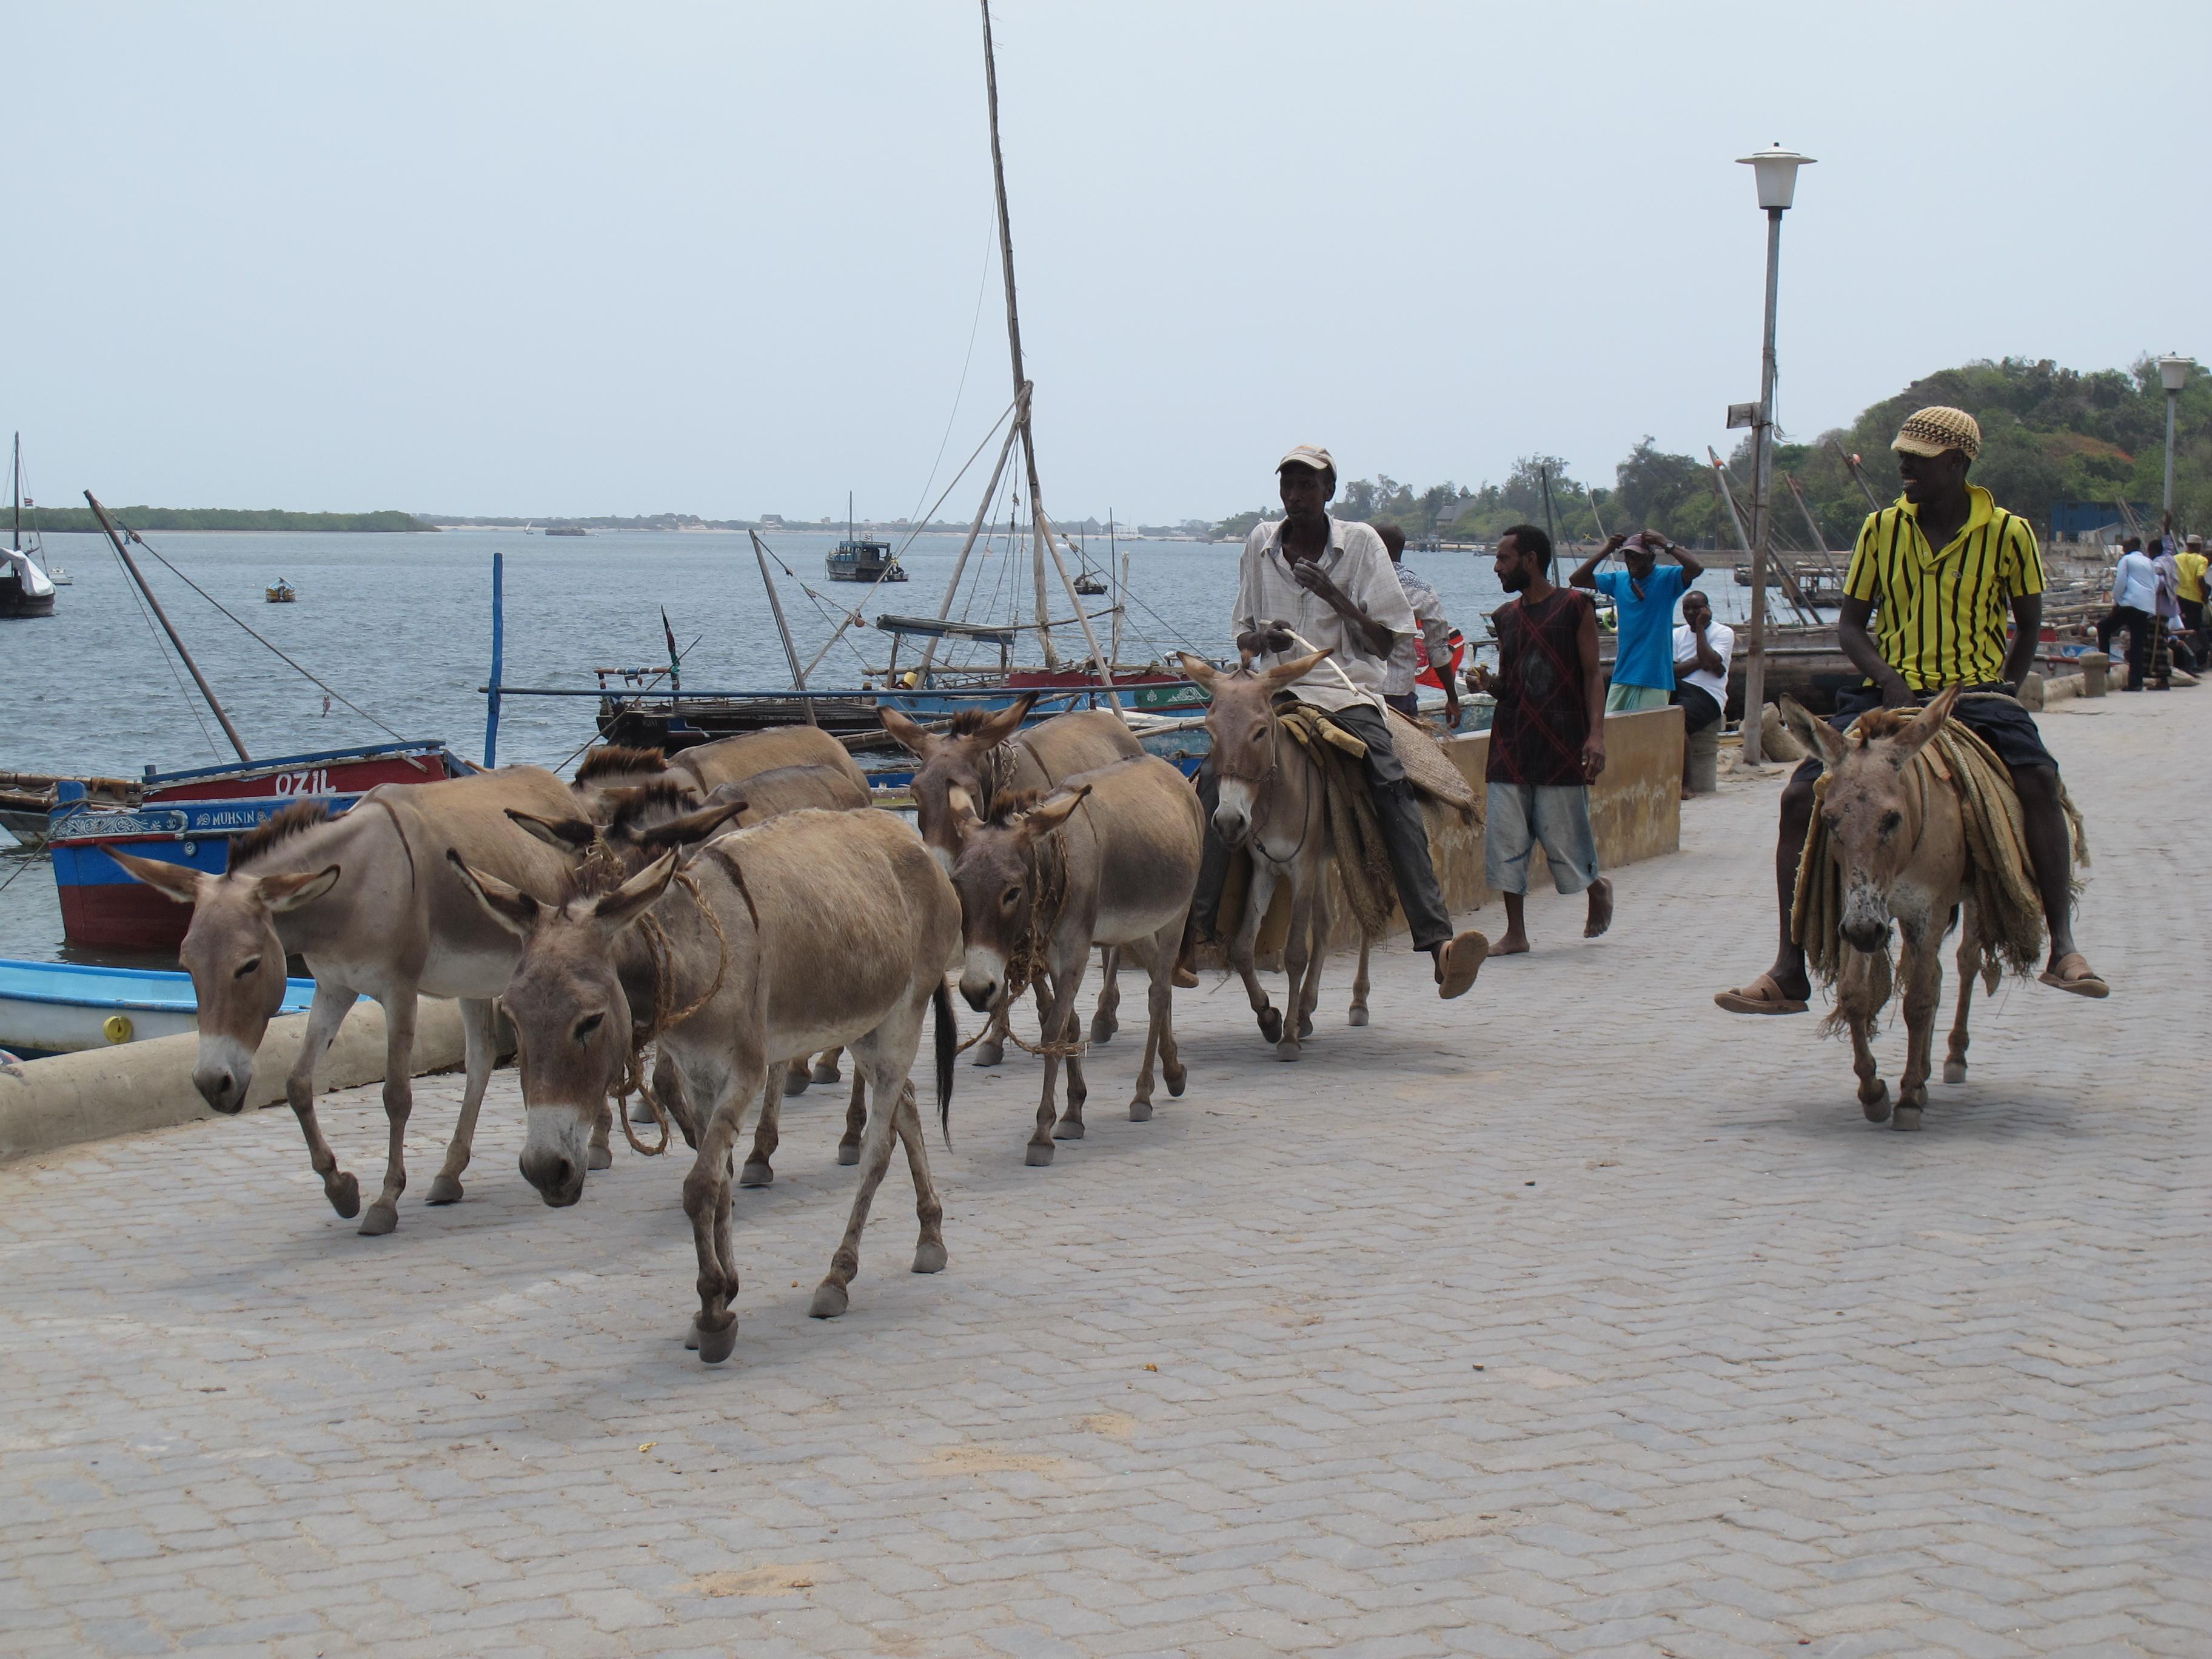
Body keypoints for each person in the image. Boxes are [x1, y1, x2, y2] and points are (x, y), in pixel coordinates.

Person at [1715, 404, 2108, 1014]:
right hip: (1886, 700)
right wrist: (1886, 679)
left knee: (2038, 779)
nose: (1903, 468)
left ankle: (2063, 945)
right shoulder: (1881, 530)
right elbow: (1850, 626)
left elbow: (2028, 624)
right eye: (1902, 457)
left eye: (1918, 461)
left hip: (1974, 697)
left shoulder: (2009, 532)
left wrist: (2006, 685)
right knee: (1800, 797)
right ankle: (1790, 966)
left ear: (1957, 463)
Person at [1178, 445, 1490, 997]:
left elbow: (1386, 641)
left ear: (1329, 492)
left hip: (1342, 693)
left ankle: (1437, 942)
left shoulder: (1362, 545)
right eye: (1289, 485)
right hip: (1271, 693)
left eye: (1308, 486)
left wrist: (1336, 597)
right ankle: (1193, 932)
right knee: (1211, 781)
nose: (1296, 496)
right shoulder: (1260, 544)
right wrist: (1260, 640)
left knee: (1390, 785)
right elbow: (1242, 634)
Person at [1466, 524, 1612, 954]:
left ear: (1529, 560)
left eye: (1504, 559)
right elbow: (1511, 684)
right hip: (1510, 743)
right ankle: (1516, 933)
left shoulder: (1574, 606)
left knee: (1566, 836)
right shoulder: (1505, 617)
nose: (1497, 567)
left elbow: (1592, 675)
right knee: (1506, 840)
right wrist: (1489, 683)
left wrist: (1597, 736)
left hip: (1563, 740)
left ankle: (1596, 888)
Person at [1570, 530, 1705, 711]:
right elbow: (1577, 579)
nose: (1632, 561)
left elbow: (1696, 568)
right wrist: (1607, 549)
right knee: (1612, 732)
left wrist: (1664, 542)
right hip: (1624, 674)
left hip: (1655, 677)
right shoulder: (1619, 580)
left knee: (1647, 735)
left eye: (1637, 556)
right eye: (1628, 556)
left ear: (1650, 557)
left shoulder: (1667, 579)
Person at [1373, 523, 1461, 726]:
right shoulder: (1422, 590)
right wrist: (1453, 698)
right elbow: (1438, 651)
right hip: (1399, 693)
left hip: (1356, 691)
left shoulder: (1355, 584)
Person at [1671, 589, 1734, 793]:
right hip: (1680, 686)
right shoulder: (1676, 634)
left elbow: (1709, 664)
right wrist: (1706, 662)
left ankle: (1686, 784)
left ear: (1707, 610)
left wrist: (1700, 629)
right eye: (1686, 608)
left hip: (1707, 694)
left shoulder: (1723, 633)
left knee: (1677, 722)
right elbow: (1672, 671)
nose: (1691, 612)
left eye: (1696, 609)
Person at [2099, 535, 2158, 692]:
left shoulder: (2126, 560)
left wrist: (2116, 602)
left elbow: (2120, 583)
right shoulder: (2149, 562)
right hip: (2145, 605)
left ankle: (2104, 665)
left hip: (2130, 602)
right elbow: (2155, 583)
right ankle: (2135, 682)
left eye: (2125, 544)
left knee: (2103, 627)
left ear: (2133, 545)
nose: (2123, 546)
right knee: (2137, 644)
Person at [2176, 533, 2208, 655]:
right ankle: (2195, 658)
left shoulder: (2177, 558)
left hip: (2179, 597)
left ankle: (2182, 657)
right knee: (2194, 631)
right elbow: (2200, 578)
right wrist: (2205, 595)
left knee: (2181, 629)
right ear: (2198, 546)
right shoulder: (2201, 560)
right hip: (2195, 599)